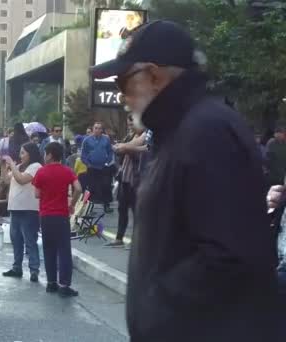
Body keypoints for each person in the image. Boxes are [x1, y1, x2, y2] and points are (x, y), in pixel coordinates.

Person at [91, 20, 279, 341]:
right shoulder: (174, 132)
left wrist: (156, 310)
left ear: (154, 75)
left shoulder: (208, 131)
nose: (122, 96)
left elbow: (228, 254)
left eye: (124, 83)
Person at [32, 142, 81, 298]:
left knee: (49, 249)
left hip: (46, 216)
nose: (44, 156)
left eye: (45, 153)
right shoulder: (67, 171)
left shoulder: (41, 172)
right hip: (61, 215)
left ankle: (51, 283)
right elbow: (78, 188)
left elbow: (37, 194)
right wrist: (72, 204)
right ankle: (64, 285)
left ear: (50, 155)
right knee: (64, 250)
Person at [1, 142, 43, 282]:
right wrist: (3, 166)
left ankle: (34, 269)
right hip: (15, 208)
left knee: (30, 240)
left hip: (29, 209)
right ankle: (16, 267)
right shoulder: (18, 167)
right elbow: (6, 180)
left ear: (31, 154)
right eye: (20, 152)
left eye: (23, 153)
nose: (21, 155)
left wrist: (11, 164)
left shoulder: (36, 167)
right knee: (16, 240)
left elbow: (21, 180)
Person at [105, 116, 147, 248]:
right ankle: (119, 238)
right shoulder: (130, 136)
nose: (130, 127)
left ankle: (137, 241)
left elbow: (140, 152)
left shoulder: (146, 136)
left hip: (137, 178)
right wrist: (122, 148)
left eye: (132, 124)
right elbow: (119, 151)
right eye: (129, 124)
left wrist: (126, 148)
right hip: (125, 177)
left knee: (136, 212)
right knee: (122, 209)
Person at [81, 122, 114, 213]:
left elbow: (110, 152)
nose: (98, 130)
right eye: (96, 128)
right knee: (91, 188)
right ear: (93, 129)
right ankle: (88, 208)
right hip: (92, 167)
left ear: (102, 130)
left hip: (104, 167)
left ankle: (106, 206)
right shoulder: (87, 140)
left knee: (106, 186)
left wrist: (107, 162)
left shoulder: (106, 139)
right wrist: (88, 164)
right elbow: (83, 154)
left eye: (99, 128)